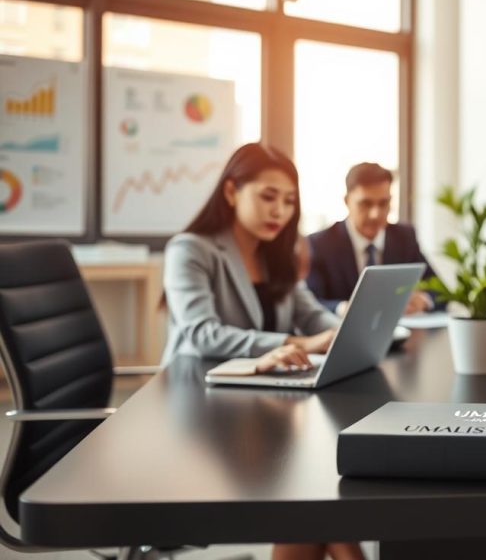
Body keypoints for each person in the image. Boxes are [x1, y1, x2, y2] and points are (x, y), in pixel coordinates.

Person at [161, 142, 365, 560]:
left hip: (257, 406)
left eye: (289, 201)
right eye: (268, 197)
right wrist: (290, 344)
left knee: (319, 496)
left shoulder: (276, 254)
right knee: (318, 494)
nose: (280, 211)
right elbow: (202, 333)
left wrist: (345, 334)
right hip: (199, 408)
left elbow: (311, 316)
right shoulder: (191, 249)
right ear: (232, 192)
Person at [306, 162, 439, 316]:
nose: (375, 214)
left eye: (384, 203)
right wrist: (343, 308)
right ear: (347, 201)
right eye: (365, 204)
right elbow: (309, 304)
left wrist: (423, 300)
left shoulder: (404, 238)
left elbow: (440, 291)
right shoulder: (320, 244)